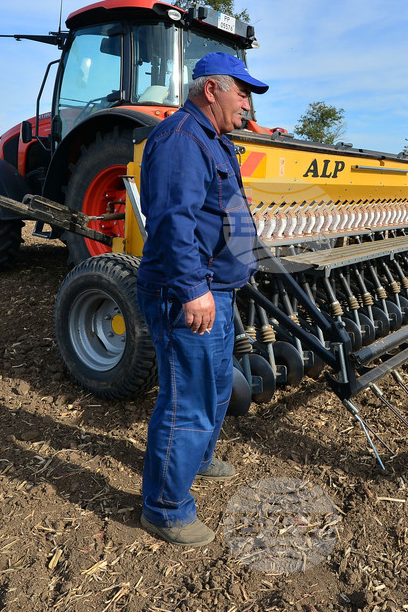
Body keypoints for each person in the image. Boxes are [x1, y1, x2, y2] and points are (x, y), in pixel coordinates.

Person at [135, 51, 268, 546]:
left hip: (218, 288)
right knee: (185, 400)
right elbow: (173, 224)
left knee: (214, 386)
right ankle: (164, 507)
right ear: (211, 89)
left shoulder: (214, 140)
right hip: (187, 293)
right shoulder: (180, 140)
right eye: (243, 91)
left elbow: (221, 213)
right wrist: (194, 289)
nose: (248, 104)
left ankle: (200, 459)